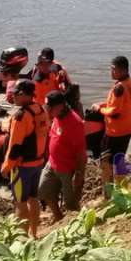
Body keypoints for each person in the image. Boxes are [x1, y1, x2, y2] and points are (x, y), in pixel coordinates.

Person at [1, 79, 49, 238]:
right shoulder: (40, 110)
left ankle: (21, 238)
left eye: (15, 94)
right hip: (38, 163)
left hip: (22, 167)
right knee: (33, 198)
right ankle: (34, 234)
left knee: (20, 202)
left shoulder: (21, 116)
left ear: (22, 94)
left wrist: (6, 166)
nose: (13, 97)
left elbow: (14, 146)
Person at [91, 55, 131, 197]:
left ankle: (108, 194)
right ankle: (122, 189)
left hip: (115, 132)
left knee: (105, 162)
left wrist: (99, 109)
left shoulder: (119, 88)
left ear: (121, 70)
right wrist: (104, 104)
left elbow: (115, 112)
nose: (111, 72)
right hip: (128, 128)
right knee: (119, 159)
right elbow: (121, 105)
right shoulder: (130, 83)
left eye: (113, 69)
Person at [39, 90, 86, 222]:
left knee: (70, 203)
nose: (47, 110)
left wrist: (79, 174)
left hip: (67, 168)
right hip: (52, 163)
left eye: (50, 108)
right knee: (43, 191)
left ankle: (76, 222)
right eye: (46, 107)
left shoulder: (75, 123)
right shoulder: (56, 117)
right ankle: (58, 216)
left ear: (60, 106)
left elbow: (80, 152)